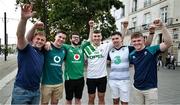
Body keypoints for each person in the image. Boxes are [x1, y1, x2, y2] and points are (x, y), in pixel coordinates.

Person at [107, 22, 155, 105]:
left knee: (124, 102)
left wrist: (151, 33)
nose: (115, 40)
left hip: (124, 81)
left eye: (117, 38)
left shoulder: (129, 49)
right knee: (115, 101)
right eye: (113, 39)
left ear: (121, 39)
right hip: (113, 81)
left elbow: (146, 45)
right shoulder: (110, 51)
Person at [129, 19, 173, 105]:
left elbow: (168, 43)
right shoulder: (131, 54)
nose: (136, 43)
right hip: (136, 88)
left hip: (150, 89)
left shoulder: (151, 50)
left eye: (139, 40)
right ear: (132, 42)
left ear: (143, 40)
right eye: (134, 41)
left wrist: (162, 26)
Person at [11, 4, 46, 104]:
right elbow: (20, 35)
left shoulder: (42, 53)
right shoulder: (26, 49)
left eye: (42, 40)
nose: (40, 41)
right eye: (37, 39)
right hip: (21, 91)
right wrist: (23, 20)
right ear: (32, 40)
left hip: (36, 92)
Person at [84, 24, 114, 105]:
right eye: (95, 36)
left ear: (101, 37)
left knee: (101, 98)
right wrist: (91, 27)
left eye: (98, 36)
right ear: (92, 38)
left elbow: (118, 40)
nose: (97, 38)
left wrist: (124, 28)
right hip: (91, 77)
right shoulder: (87, 48)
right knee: (91, 98)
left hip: (102, 77)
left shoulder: (106, 46)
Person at [63, 31, 90, 105]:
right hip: (69, 79)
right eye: (74, 37)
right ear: (70, 39)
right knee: (69, 100)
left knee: (78, 99)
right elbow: (57, 44)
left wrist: (91, 27)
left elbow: (89, 39)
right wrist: (48, 43)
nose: (76, 39)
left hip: (80, 79)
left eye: (77, 38)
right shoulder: (66, 47)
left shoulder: (81, 47)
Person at [41, 31, 67, 105]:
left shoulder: (64, 50)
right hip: (46, 83)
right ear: (55, 37)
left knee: (55, 103)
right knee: (44, 103)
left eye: (63, 38)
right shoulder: (47, 47)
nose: (61, 39)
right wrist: (47, 42)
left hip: (59, 82)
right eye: (60, 37)